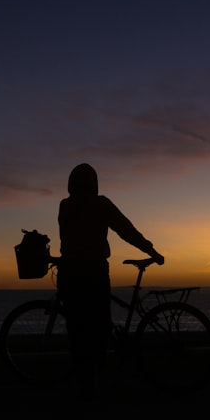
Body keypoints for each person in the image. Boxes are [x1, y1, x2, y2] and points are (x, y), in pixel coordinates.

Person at [57, 163, 164, 397]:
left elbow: (68, 242)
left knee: (77, 329)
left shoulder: (65, 206)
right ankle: (103, 378)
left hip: (71, 273)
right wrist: (151, 251)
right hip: (95, 272)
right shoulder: (100, 204)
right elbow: (126, 230)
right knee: (99, 326)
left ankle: (86, 383)